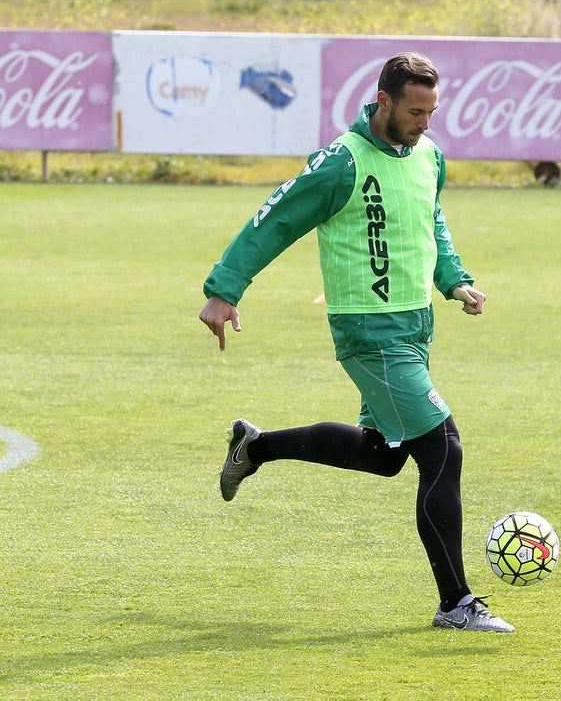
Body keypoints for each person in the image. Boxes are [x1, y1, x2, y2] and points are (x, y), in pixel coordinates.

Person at [198, 52, 514, 633]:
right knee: (444, 450)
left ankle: (256, 447)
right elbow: (275, 218)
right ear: (384, 100)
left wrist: (454, 279)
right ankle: (457, 604)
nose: (425, 122)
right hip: (369, 331)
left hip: (414, 326)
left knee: (384, 454)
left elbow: (430, 220)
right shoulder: (340, 163)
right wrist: (224, 289)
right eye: (415, 111)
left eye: (432, 112)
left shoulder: (429, 157)